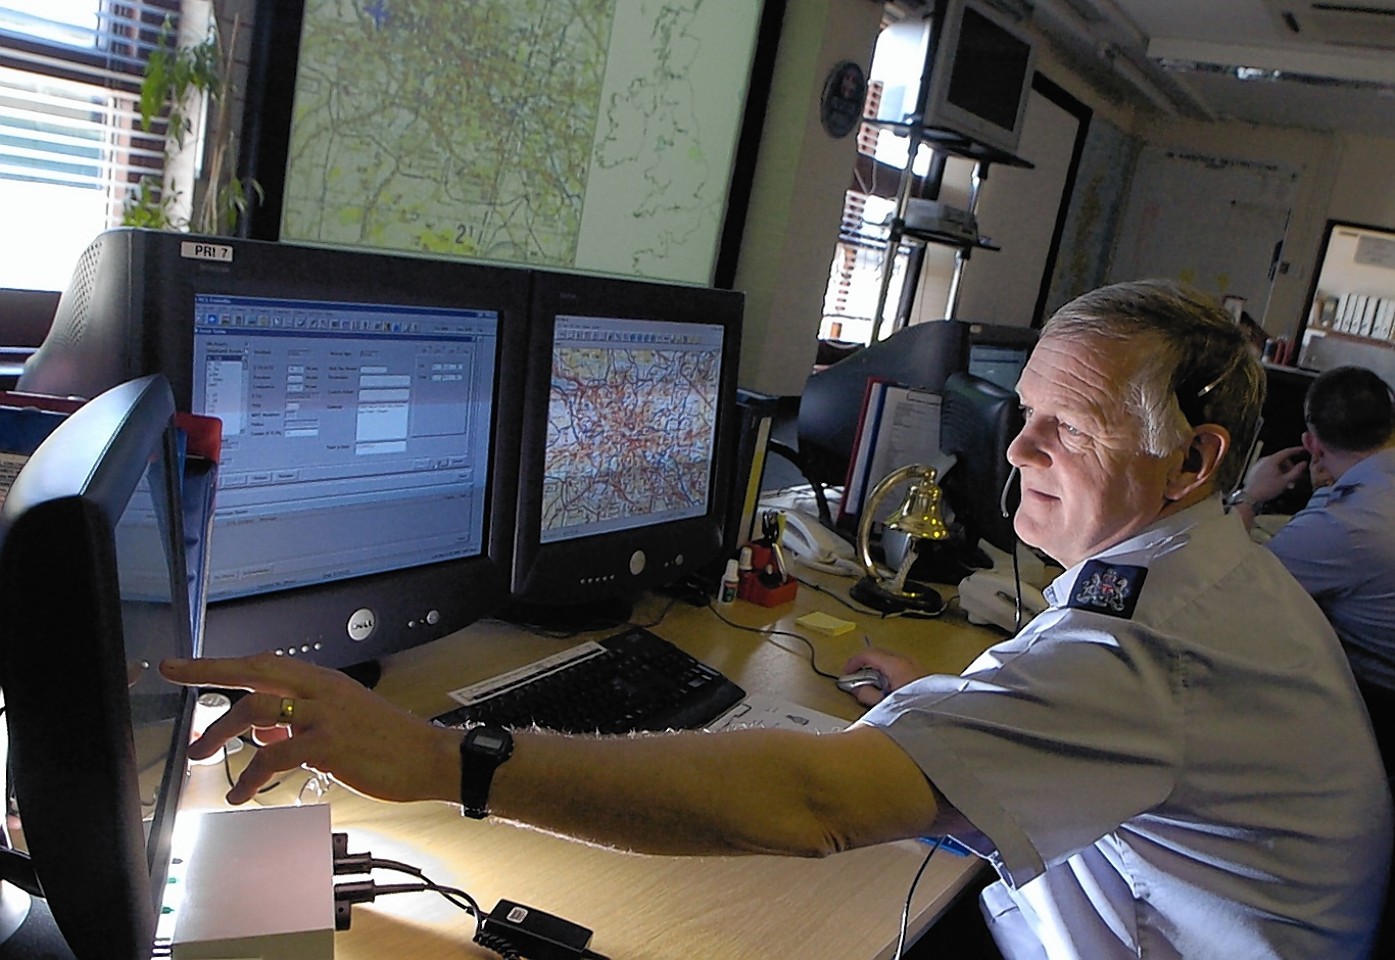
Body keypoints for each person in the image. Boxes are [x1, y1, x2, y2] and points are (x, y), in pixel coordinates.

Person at [160, 280, 1392, 959]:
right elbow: (1086, 705)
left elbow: (818, 809)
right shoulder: (1197, 567)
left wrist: (441, 759)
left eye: (1065, 428)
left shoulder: (1151, 632)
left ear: (1194, 461)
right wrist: (937, 710)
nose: (1015, 454)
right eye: (1021, 412)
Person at [1235, 364, 1395, 770]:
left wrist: (1250, 497)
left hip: (1378, 712)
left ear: (1311, 444)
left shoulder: (1347, 522)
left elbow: (1233, 582)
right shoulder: (1366, 499)